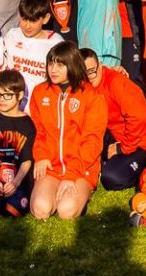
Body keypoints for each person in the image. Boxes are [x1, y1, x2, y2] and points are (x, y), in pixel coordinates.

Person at [28, 41, 107, 220]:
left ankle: (82, 194)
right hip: (51, 166)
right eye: (50, 64)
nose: (53, 69)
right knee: (40, 210)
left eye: (60, 65)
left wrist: (71, 174)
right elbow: (37, 130)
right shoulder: (40, 92)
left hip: (81, 168)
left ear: (72, 65)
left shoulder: (91, 95)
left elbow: (92, 141)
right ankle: (54, 190)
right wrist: (41, 156)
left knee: (66, 211)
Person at [83, 49, 146, 191]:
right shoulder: (84, 86)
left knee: (111, 178)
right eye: (83, 73)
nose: (88, 77)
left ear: (100, 66)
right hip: (112, 135)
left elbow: (139, 119)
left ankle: (144, 168)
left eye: (91, 71)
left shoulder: (116, 82)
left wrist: (122, 148)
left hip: (140, 142)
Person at [0, 71, 36, 218]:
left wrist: (15, 183)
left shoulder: (28, 125)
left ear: (20, 95)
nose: (2, 100)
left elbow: (26, 160)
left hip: (18, 182)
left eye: (7, 95)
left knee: (13, 209)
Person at [1, 0, 66, 95]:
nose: (27, 26)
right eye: (24, 19)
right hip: (13, 103)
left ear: (45, 18)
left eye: (33, 21)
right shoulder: (12, 35)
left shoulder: (56, 43)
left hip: (42, 102)